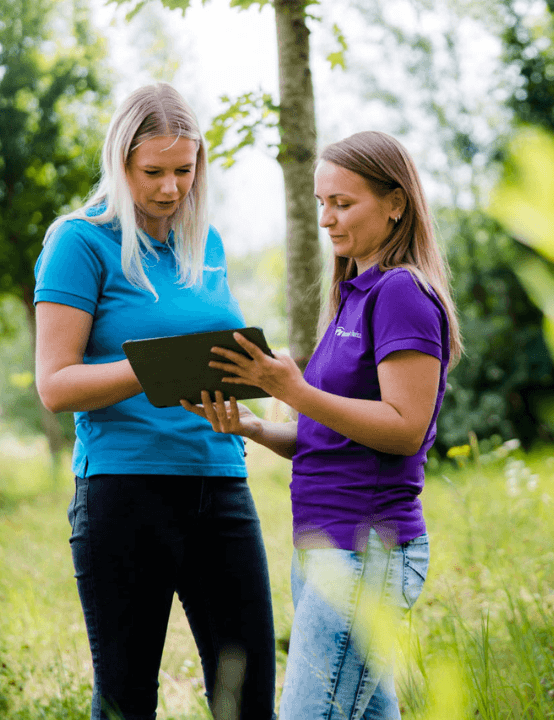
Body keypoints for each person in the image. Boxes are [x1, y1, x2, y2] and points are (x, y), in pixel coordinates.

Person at [181, 130, 463, 719]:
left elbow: (405, 428)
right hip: (324, 550)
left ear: (395, 203)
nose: (328, 219)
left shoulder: (402, 293)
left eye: (344, 203)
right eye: (321, 204)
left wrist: (297, 390)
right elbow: (332, 439)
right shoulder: (354, 297)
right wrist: (258, 427)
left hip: (366, 551)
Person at [33, 83, 276, 720]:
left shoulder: (209, 245)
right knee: (127, 698)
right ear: (120, 163)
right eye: (153, 172)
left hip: (221, 483)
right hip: (125, 491)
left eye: (184, 170)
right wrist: (155, 369)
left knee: (247, 693)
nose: (170, 188)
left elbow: (223, 350)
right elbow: (55, 384)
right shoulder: (79, 242)